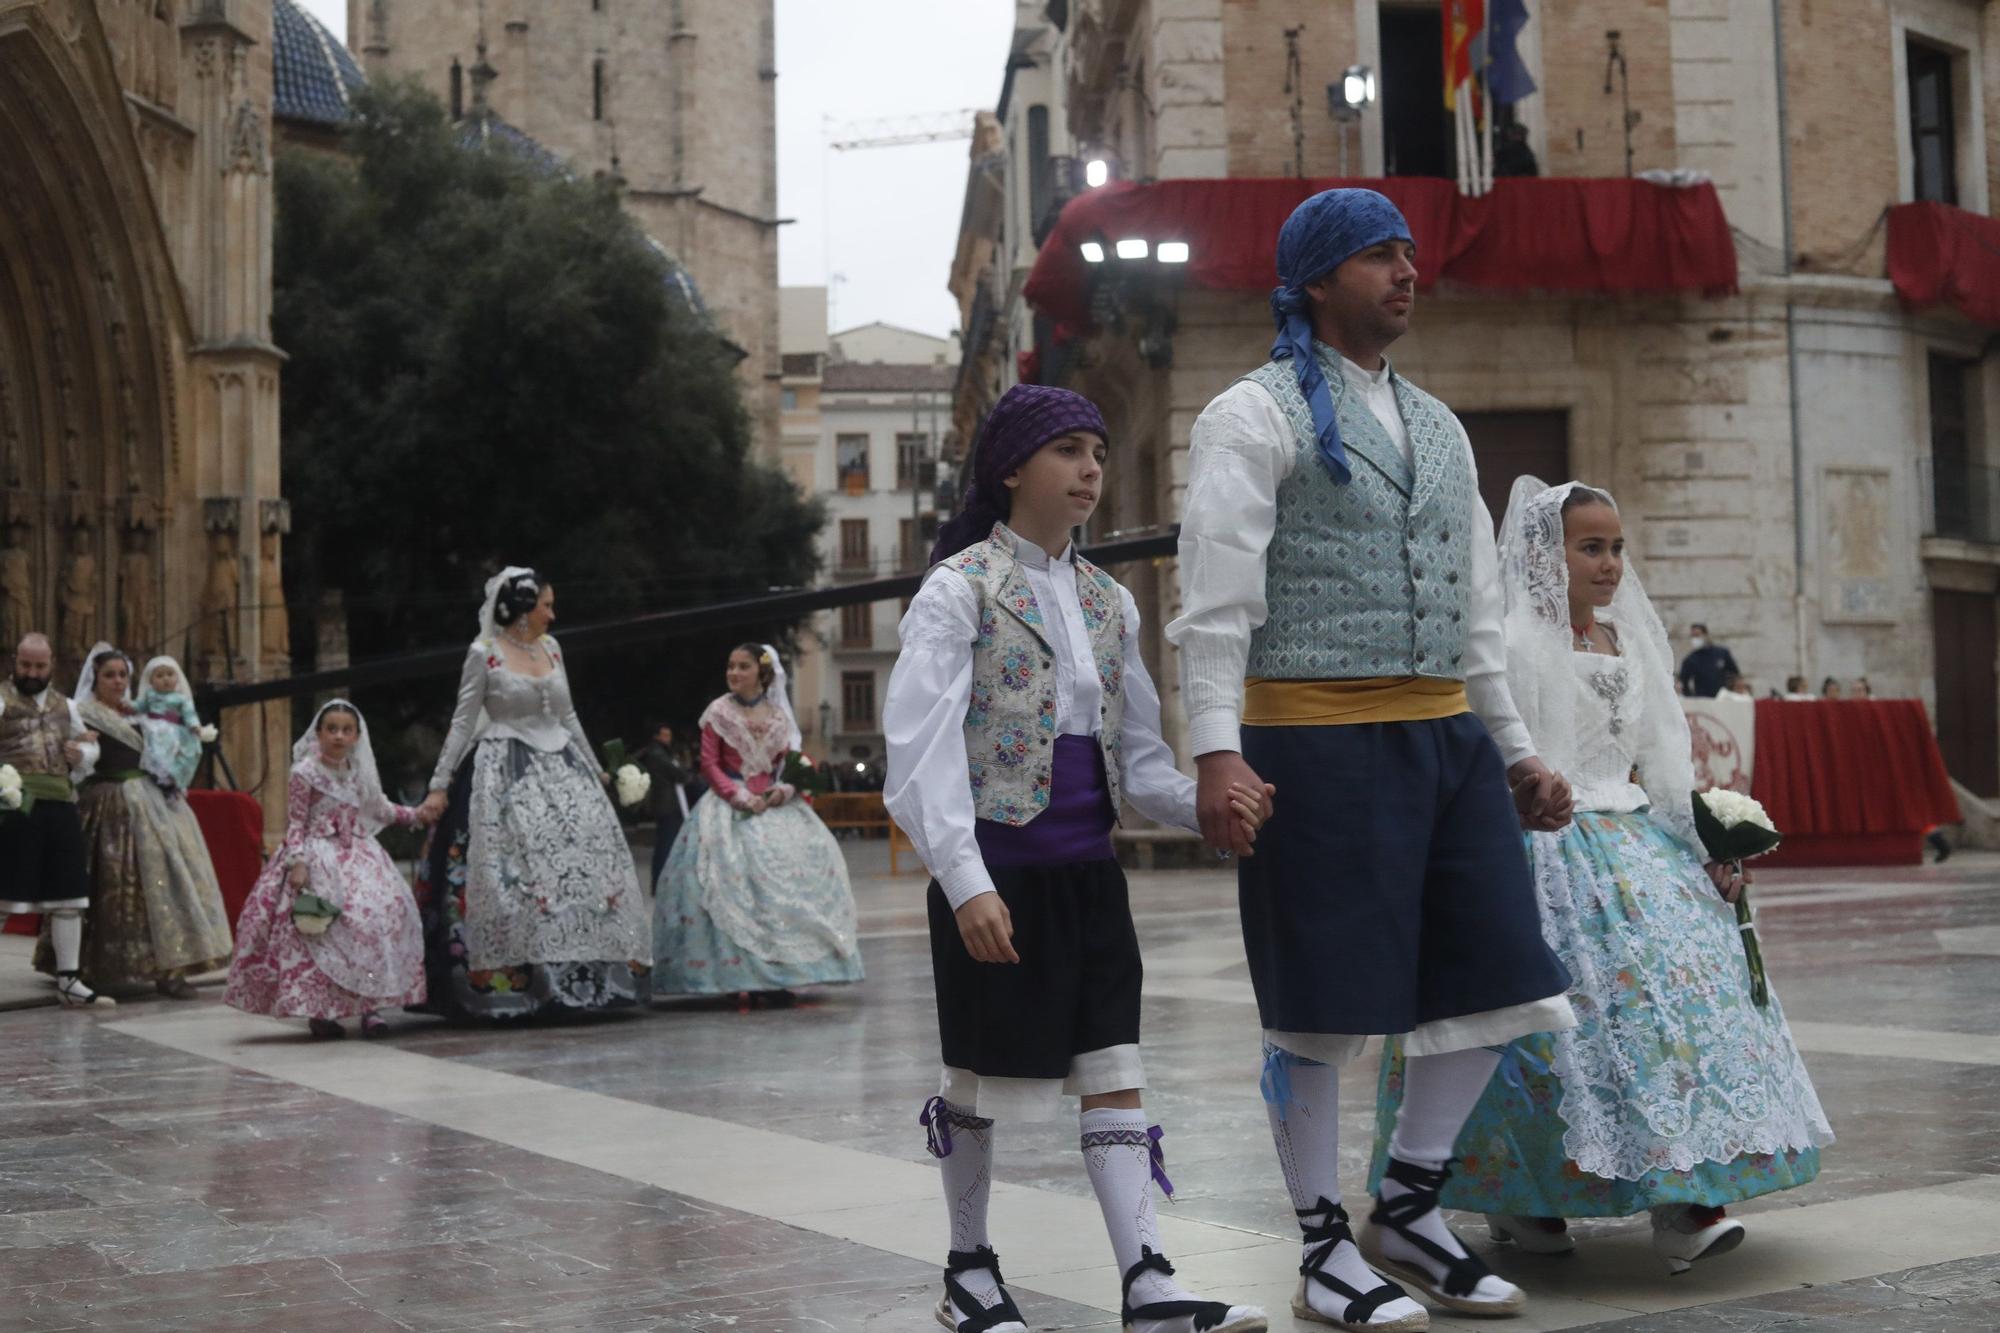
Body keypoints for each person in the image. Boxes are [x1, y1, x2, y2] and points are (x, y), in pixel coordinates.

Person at [1168, 187, 1578, 1326]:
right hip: (1311, 736)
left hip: (1445, 734)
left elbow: (1477, 613)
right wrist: (1214, 752)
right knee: (1317, 1004)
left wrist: (1516, 751)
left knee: (1502, 979)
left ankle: (1405, 1199)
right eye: (1374, 257)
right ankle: (1317, 1248)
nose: (1405, 271)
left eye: (1406, 254)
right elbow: (1213, 604)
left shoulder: (1441, 428)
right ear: (1311, 280)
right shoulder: (1249, 417)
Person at [1372, 480, 1832, 1274]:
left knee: (1668, 1015)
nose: (1611, 563)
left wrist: (1707, 844)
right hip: (1539, 851)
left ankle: (1683, 1200)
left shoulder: (1628, 641)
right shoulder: (1509, 642)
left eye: (1617, 546)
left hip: (1637, 847)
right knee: (1544, 1033)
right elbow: (1485, 753)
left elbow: (1663, 759)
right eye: (1592, 547)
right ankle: (1526, 1198)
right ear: (1547, 557)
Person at [887, 383, 1271, 1333]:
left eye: (1098, 449)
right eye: (1067, 449)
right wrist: (965, 880)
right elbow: (919, 754)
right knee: (977, 1073)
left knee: (1114, 1066)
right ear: (1011, 468)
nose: (1091, 467)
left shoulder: (1107, 602)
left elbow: (1135, 762)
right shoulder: (958, 589)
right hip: (997, 879)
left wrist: (1208, 806)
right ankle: (969, 1269)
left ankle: (1147, 1279)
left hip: (1090, 880)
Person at [413, 568, 653, 1019]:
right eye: (546, 605)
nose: (553, 614)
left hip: (563, 765)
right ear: (523, 611)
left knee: (583, 867)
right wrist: (439, 785)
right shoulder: (484, 654)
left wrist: (597, 768)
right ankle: (515, 983)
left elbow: (569, 715)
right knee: (510, 872)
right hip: (501, 768)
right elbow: (463, 722)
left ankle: (594, 978)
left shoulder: (552, 649)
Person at [652, 643, 863, 1002]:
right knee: (728, 883)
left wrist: (785, 788)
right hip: (728, 804)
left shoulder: (778, 717)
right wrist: (736, 795)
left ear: (761, 673)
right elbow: (709, 763)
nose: (734, 673)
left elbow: (789, 762)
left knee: (786, 884)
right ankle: (735, 975)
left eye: (743, 666)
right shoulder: (718, 712)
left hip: (772, 804)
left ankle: (781, 976)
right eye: (730, 666)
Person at [34, 645, 231, 998]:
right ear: (95, 678)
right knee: (107, 886)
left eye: (123, 675)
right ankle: (88, 967)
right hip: (107, 803)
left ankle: (171, 970)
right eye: (109, 675)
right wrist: (80, 754)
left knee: (167, 885)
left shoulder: (140, 712)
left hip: (153, 802)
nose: (117, 681)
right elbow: (73, 759)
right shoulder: (83, 713)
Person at [226, 701, 432, 1037]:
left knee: (378, 916)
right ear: (319, 733)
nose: (338, 736)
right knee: (320, 929)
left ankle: (371, 1007)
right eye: (331, 729)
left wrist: (417, 815)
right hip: (316, 854)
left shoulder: (357, 771)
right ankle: (320, 1011)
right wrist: (298, 863)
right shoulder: (305, 772)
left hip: (358, 853)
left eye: (346, 730)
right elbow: (295, 823)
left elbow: (379, 808)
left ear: (356, 735)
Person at [1, 632, 109, 1006]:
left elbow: (89, 746)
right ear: (15, 662)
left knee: (68, 895)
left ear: (51, 666)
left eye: (39, 665)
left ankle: (68, 979)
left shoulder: (67, 706)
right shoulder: (1, 700)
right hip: (14, 808)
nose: (32, 672)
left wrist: (84, 757)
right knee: (3, 894)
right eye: (26, 664)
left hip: (61, 805)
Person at [133, 656, 206, 794]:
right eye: (159, 676)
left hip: (173, 731)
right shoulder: (150, 695)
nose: (166, 679)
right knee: (154, 751)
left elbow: (189, 714)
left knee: (185, 750)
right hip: (152, 728)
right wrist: (129, 706)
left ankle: (171, 779)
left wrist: (194, 725)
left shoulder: (180, 699)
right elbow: (141, 706)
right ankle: (156, 775)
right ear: (151, 680)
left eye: (170, 674)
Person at [634, 722, 691, 885]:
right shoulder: (657, 754)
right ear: (657, 736)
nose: (668, 739)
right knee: (665, 844)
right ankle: (659, 881)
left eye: (669, 735)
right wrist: (684, 773)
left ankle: (664, 881)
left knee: (669, 843)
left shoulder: (663, 752)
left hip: (670, 803)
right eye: (665, 735)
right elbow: (678, 774)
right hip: (666, 805)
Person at [1677, 623, 1740, 698]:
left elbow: (1734, 673)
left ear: (1705, 635)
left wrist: (1729, 690)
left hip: (1723, 699)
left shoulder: (1722, 653)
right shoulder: (1690, 659)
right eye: (1692, 636)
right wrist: (1691, 697)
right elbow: (1683, 682)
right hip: (1703, 701)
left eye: (1697, 635)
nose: (1695, 639)